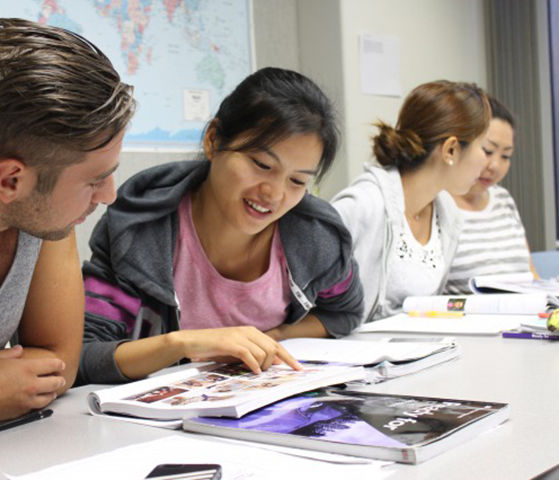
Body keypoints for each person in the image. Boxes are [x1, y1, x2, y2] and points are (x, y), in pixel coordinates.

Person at [78, 67, 365, 385]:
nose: (274, 194)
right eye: (262, 165)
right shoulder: (139, 231)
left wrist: (274, 336)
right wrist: (187, 344)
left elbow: (344, 313)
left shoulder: (315, 237)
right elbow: (86, 354)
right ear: (213, 140)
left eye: (298, 181)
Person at [0, 18, 135, 424]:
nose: (109, 195)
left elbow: (57, 364)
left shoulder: (41, 213)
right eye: (94, 180)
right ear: (10, 180)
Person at [331, 80, 490, 323]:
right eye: (484, 148)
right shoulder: (361, 206)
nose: (486, 162)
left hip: (418, 355)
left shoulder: (447, 214)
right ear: (450, 150)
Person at [444, 96, 539, 293]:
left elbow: (532, 275)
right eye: (487, 151)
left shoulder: (502, 198)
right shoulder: (437, 203)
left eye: (506, 156)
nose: (494, 166)